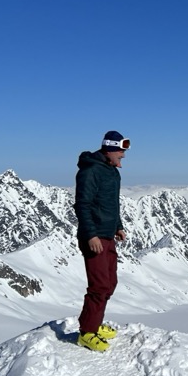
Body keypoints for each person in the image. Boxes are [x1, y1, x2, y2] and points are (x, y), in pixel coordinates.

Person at [74, 130, 130, 351]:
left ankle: (94, 323)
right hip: (94, 237)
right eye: (121, 151)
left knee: (110, 283)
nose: (123, 155)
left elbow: (111, 203)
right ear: (109, 149)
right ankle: (87, 332)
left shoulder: (112, 172)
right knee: (99, 286)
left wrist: (118, 226)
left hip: (107, 235)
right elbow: (82, 205)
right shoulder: (90, 172)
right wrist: (91, 235)